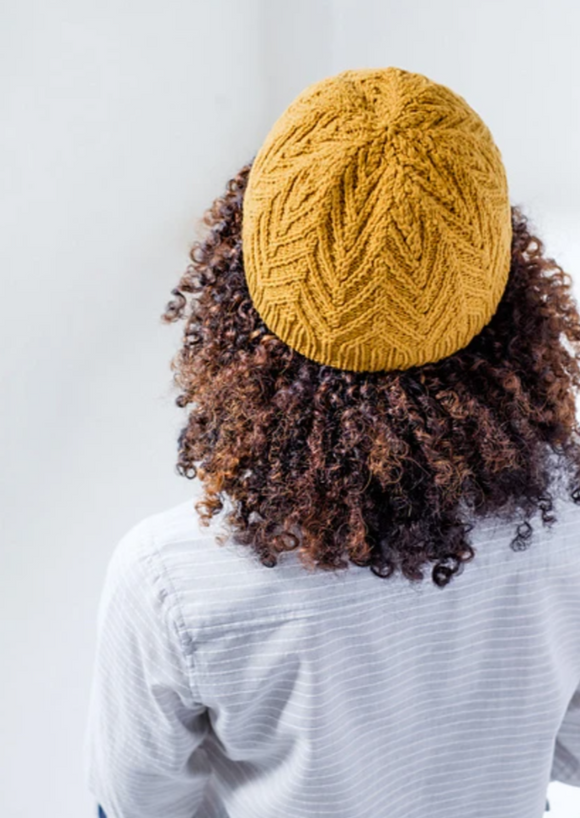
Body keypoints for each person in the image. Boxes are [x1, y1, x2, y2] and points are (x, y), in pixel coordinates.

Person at [84, 66, 580, 818]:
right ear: (511, 292)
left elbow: (134, 806)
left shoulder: (172, 579)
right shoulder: (566, 527)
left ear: (237, 285)